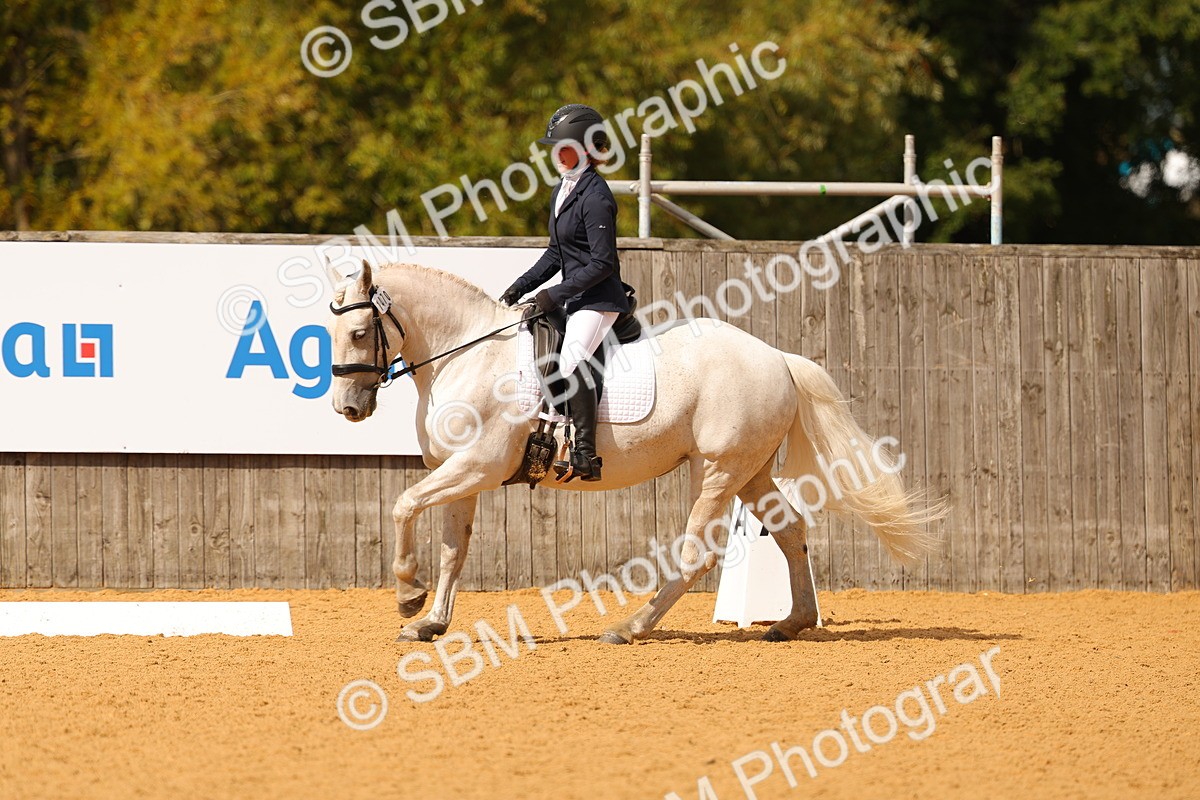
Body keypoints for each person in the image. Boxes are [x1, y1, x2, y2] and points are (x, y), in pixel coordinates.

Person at [499, 104, 630, 482]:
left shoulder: (596, 196)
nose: (557, 154)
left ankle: (587, 454)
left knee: (571, 360)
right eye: (554, 147)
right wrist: (517, 289)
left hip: (599, 299)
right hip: (575, 296)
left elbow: (602, 262)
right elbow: (556, 253)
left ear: (587, 149)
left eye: (565, 147)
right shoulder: (561, 190)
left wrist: (555, 295)